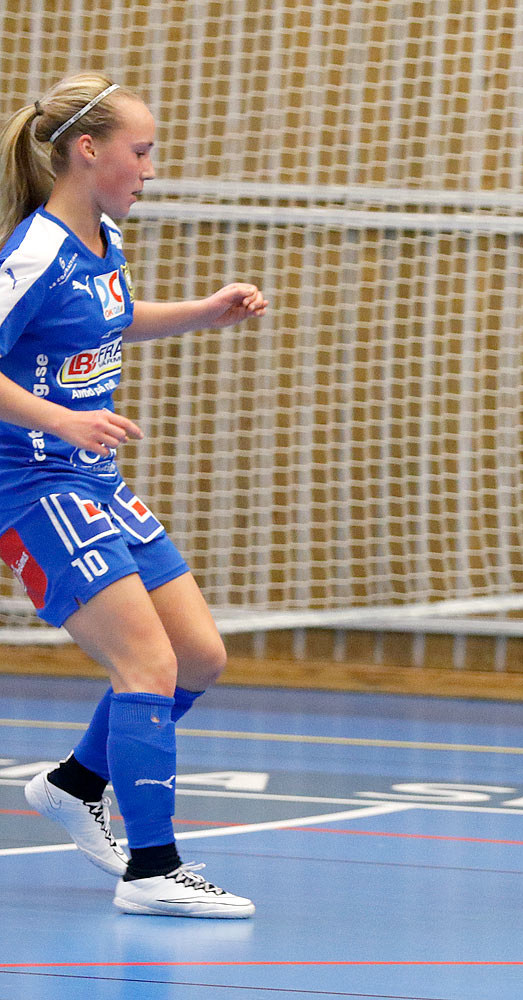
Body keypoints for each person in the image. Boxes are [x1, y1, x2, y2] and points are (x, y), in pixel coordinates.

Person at [0, 74, 266, 918]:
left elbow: (109, 318)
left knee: (198, 657)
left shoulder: (103, 236)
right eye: (140, 152)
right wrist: (61, 420)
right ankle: (154, 868)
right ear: (89, 150)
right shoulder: (35, 250)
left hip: (93, 479)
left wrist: (204, 312)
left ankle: (77, 785)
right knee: (144, 663)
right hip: (30, 485)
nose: (150, 169)